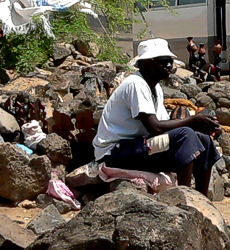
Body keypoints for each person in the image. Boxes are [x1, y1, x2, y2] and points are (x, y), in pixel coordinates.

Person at [93, 38, 222, 196]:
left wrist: (198, 124)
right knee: (186, 134)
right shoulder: (135, 84)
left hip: (138, 147)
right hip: (115, 153)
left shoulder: (155, 88)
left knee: (203, 139)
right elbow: (154, 127)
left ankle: (201, 199)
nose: (169, 66)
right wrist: (192, 121)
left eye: (170, 61)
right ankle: (185, 198)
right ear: (147, 63)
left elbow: (164, 124)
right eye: (163, 61)